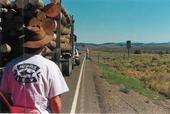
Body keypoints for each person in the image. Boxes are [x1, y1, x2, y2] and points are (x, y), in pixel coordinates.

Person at [0, 25, 69, 113]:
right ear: (43, 45)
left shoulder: (10, 66)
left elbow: (4, 95)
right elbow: (55, 100)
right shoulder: (51, 67)